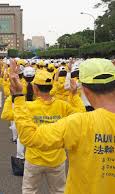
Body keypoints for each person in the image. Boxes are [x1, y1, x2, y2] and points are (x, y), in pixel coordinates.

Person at [10, 58, 115, 194]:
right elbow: (79, 111)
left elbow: (30, 137)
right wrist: (74, 96)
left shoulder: (80, 123)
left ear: (85, 89)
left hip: (36, 159)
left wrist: (18, 96)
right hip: (57, 161)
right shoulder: (71, 113)